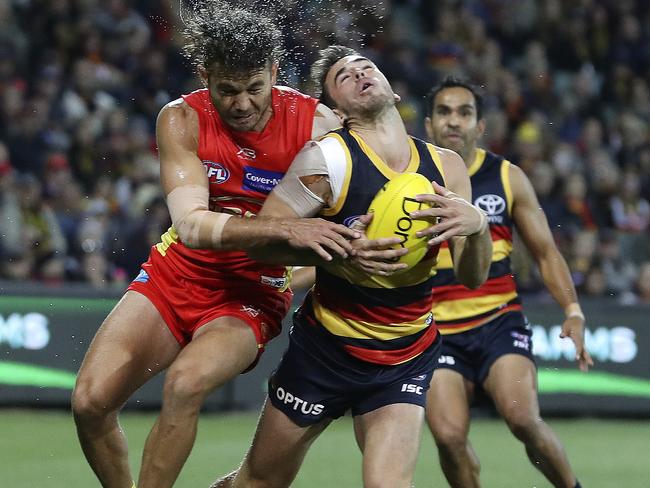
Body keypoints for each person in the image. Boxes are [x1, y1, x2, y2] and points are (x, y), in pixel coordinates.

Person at [70, 6, 395, 488]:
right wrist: (283, 231)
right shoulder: (182, 119)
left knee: (184, 384)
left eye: (254, 88)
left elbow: (349, 213)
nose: (242, 104)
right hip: (175, 274)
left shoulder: (317, 126)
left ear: (272, 71)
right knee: (89, 403)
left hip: (251, 292)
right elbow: (193, 226)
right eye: (227, 91)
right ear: (206, 76)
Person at [211, 46, 492, 488]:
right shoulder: (326, 161)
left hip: (405, 354)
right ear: (335, 108)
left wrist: (477, 227)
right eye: (344, 76)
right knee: (257, 483)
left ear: (392, 90)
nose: (360, 74)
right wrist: (337, 246)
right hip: (326, 351)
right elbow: (263, 242)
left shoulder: (447, 167)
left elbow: (472, 276)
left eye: (366, 67)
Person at [423, 77, 593, 488]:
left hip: (499, 322)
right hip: (437, 331)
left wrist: (572, 310)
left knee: (523, 420)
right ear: (428, 125)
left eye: (464, 112)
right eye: (444, 112)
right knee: (447, 436)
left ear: (480, 126)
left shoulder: (507, 177)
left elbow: (546, 252)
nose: (453, 121)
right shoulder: (412, 178)